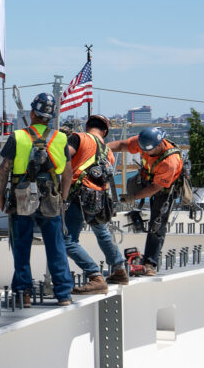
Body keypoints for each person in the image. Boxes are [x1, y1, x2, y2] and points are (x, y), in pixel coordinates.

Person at [0, 92, 74, 306]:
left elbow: (4, 169)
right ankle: (63, 294)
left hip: (22, 196)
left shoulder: (17, 137)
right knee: (56, 246)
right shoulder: (60, 138)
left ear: (32, 113)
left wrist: (1, 195)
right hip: (51, 197)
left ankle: (24, 294)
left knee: (21, 247)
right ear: (50, 117)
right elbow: (68, 173)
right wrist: (63, 199)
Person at [63, 114, 128, 293]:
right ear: (105, 132)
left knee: (67, 241)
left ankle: (95, 276)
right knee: (102, 232)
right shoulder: (108, 152)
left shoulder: (79, 138)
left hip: (77, 195)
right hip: (99, 198)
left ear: (87, 126)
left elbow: (63, 156)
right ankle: (119, 269)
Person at [108, 127, 184, 277]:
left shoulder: (169, 162)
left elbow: (156, 187)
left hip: (164, 189)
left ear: (158, 144)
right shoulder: (144, 141)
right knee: (131, 185)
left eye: (148, 151)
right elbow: (122, 145)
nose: (145, 153)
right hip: (148, 176)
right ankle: (136, 216)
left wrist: (133, 198)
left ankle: (150, 263)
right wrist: (102, 148)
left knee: (157, 224)